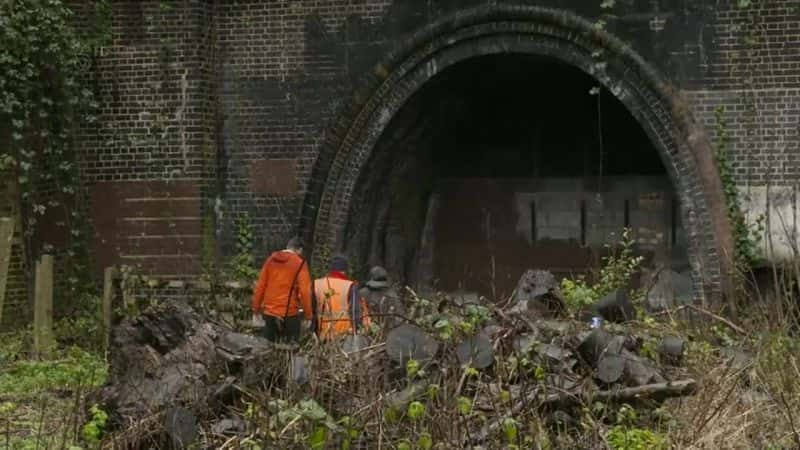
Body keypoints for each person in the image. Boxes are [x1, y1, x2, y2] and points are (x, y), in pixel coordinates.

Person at [251, 237, 312, 343]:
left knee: (267, 348)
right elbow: (305, 292)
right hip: (290, 313)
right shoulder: (300, 263)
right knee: (291, 348)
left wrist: (256, 309)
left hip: (270, 312)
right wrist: (308, 315)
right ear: (299, 250)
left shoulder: (270, 260)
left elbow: (260, 286)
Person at [313, 254, 370, 341]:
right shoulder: (350, 286)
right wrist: (358, 330)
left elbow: (311, 310)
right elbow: (355, 312)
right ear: (345, 270)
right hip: (344, 337)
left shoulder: (317, 284)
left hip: (321, 335)